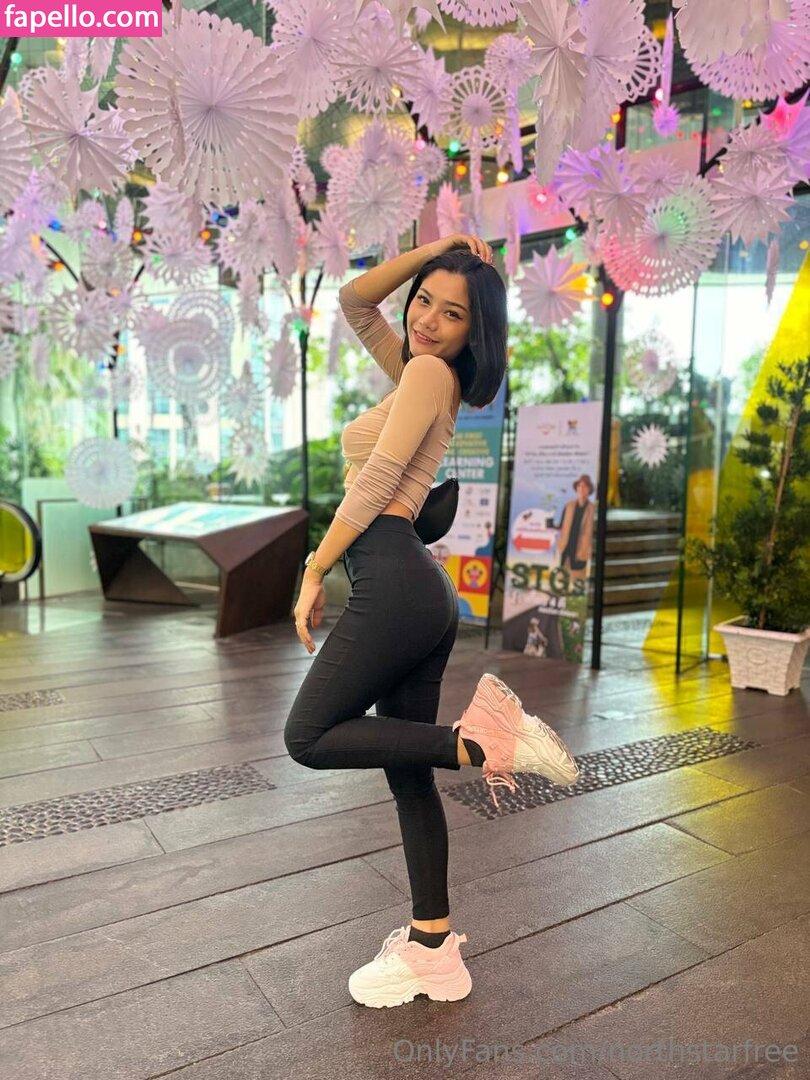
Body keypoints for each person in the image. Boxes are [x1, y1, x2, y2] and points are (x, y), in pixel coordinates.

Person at [283, 234, 580, 1010]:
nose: (426, 320)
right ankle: (433, 948)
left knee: (308, 736)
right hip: (419, 587)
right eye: (423, 301)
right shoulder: (426, 373)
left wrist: (314, 568)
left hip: (393, 575)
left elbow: (377, 478)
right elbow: (355, 302)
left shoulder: (426, 374)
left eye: (453, 314)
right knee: (408, 772)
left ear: (473, 331)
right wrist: (436, 251)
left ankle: (483, 742)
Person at [557, 474, 595, 581]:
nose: (581, 488)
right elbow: (561, 525)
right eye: (579, 486)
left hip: (581, 549)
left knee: (578, 579)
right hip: (566, 547)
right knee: (562, 578)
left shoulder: (593, 509)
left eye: (585, 486)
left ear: (589, 490)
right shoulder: (569, 506)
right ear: (576, 489)